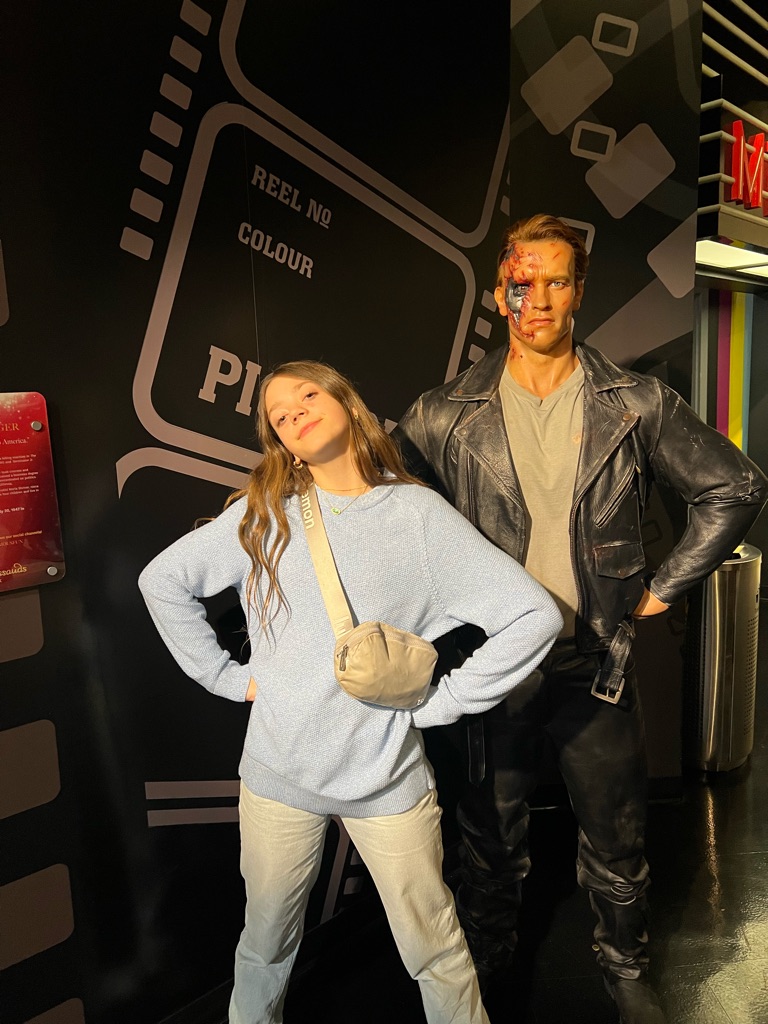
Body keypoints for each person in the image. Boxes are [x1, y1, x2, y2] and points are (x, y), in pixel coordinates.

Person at [394, 214, 768, 1024]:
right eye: (521, 282)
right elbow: (383, 508)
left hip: (596, 663)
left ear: (578, 291)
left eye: (555, 281)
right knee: (488, 838)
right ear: (499, 291)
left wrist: (664, 587)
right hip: (490, 666)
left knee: (617, 836)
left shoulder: (634, 402)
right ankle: (487, 966)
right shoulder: (443, 413)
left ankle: (625, 969)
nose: (536, 299)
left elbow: (734, 486)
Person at [138, 360, 563, 1024]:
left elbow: (534, 615)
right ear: (281, 443)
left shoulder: (418, 516)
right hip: (278, 778)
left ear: (347, 404)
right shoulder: (265, 515)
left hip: (385, 780)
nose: (294, 412)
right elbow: (161, 581)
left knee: (435, 950)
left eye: (307, 394)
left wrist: (444, 702)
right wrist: (224, 677)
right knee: (264, 946)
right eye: (279, 415)